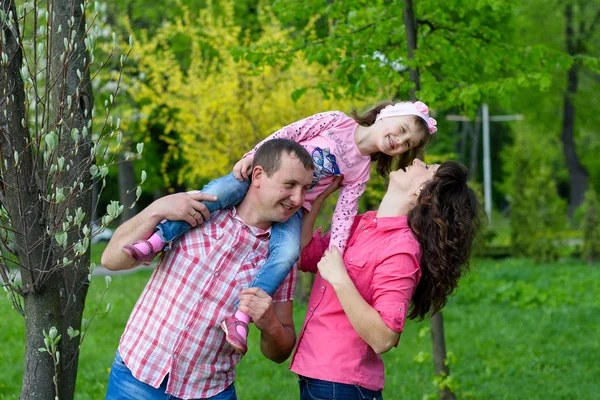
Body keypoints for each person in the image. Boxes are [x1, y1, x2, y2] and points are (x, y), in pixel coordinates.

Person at [122, 100, 438, 355]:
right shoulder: (337, 121)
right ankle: (156, 241)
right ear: (386, 114)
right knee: (210, 198)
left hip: (293, 211)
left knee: (286, 254)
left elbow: (343, 215)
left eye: (407, 144)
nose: (400, 141)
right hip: (261, 181)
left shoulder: (360, 172)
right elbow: (291, 133)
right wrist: (253, 155)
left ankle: (241, 316)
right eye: (403, 129)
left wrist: (336, 253)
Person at [102, 139, 314, 400]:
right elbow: (111, 260)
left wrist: (269, 323)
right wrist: (156, 210)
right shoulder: (195, 211)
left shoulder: (281, 259)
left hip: (209, 392)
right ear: (258, 175)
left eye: (305, 189)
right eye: (290, 185)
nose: (298, 199)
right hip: (135, 378)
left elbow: (280, 352)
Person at [291, 159, 482, 400]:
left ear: (422, 194)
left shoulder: (401, 249)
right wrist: (318, 198)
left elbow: (384, 337)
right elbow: (302, 255)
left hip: (341, 386)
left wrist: (340, 279)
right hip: (318, 377)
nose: (416, 160)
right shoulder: (361, 223)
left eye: (427, 168)